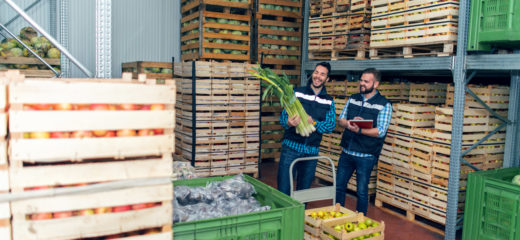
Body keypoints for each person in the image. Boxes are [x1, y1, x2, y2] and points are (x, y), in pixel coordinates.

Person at [335, 68, 392, 215]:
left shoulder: (384, 104)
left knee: (361, 191)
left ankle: (360, 219)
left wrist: (360, 130)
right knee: (339, 186)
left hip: (366, 156)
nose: (362, 83)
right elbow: (341, 119)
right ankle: (337, 215)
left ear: (376, 84)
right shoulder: (353, 98)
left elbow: (380, 131)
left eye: (366, 81)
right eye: (361, 80)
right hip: (347, 151)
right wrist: (348, 124)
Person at [277, 62, 336, 196]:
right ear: (312, 74)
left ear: (327, 79)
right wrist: (289, 122)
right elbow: (283, 118)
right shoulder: (296, 92)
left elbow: (330, 126)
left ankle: (299, 216)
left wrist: (314, 122)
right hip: (291, 148)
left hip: (311, 152)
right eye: (316, 72)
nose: (318, 76)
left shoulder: (329, 101)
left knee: (304, 193)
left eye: (322, 74)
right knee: (284, 189)